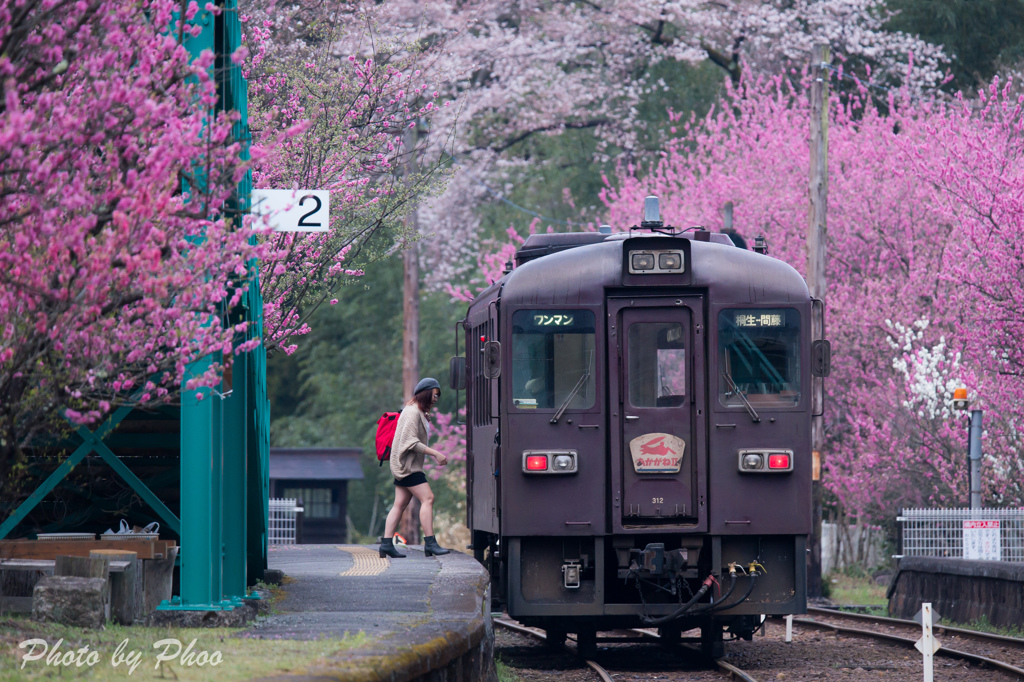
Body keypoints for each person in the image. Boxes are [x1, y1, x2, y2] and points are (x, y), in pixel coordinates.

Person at [379, 377, 451, 559]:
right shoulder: (412, 412)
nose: (436, 399)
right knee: (428, 498)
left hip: (403, 464)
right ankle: (430, 543)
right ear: (425, 393)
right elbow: (410, 442)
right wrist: (435, 453)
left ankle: (386, 544)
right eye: (434, 395)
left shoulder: (416, 411)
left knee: (399, 504)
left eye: (438, 396)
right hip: (407, 466)